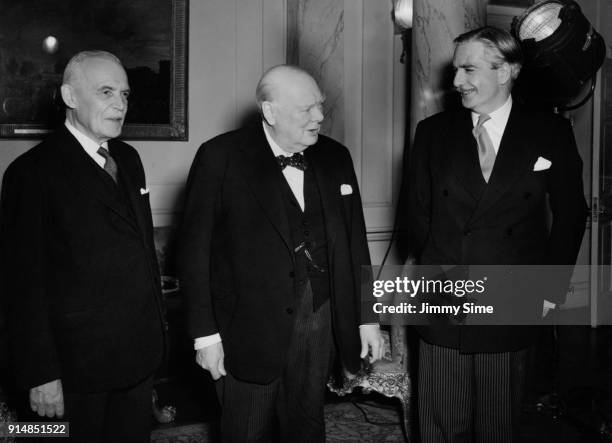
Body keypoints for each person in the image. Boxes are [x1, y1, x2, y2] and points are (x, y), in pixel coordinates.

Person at [177, 64, 384, 442]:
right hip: (247, 330)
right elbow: (194, 253)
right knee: (245, 432)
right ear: (270, 112)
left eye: (320, 106)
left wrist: (366, 317)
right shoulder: (220, 157)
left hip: (320, 319)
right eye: (306, 109)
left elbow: (356, 242)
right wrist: (205, 336)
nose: (320, 116)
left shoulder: (336, 156)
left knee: (307, 427)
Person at [404, 27, 588, 442]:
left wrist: (548, 289)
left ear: (506, 71)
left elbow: (572, 214)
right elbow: (416, 214)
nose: (456, 82)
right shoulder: (432, 133)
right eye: (455, 70)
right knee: (439, 427)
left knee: (498, 427)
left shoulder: (550, 132)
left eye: (469, 69)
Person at [0, 51, 165, 442]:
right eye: (106, 91)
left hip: (137, 358)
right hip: (74, 371)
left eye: (124, 94)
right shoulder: (31, 174)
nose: (120, 104)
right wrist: (40, 373)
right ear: (70, 97)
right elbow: (22, 286)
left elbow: (140, 252)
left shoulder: (128, 158)